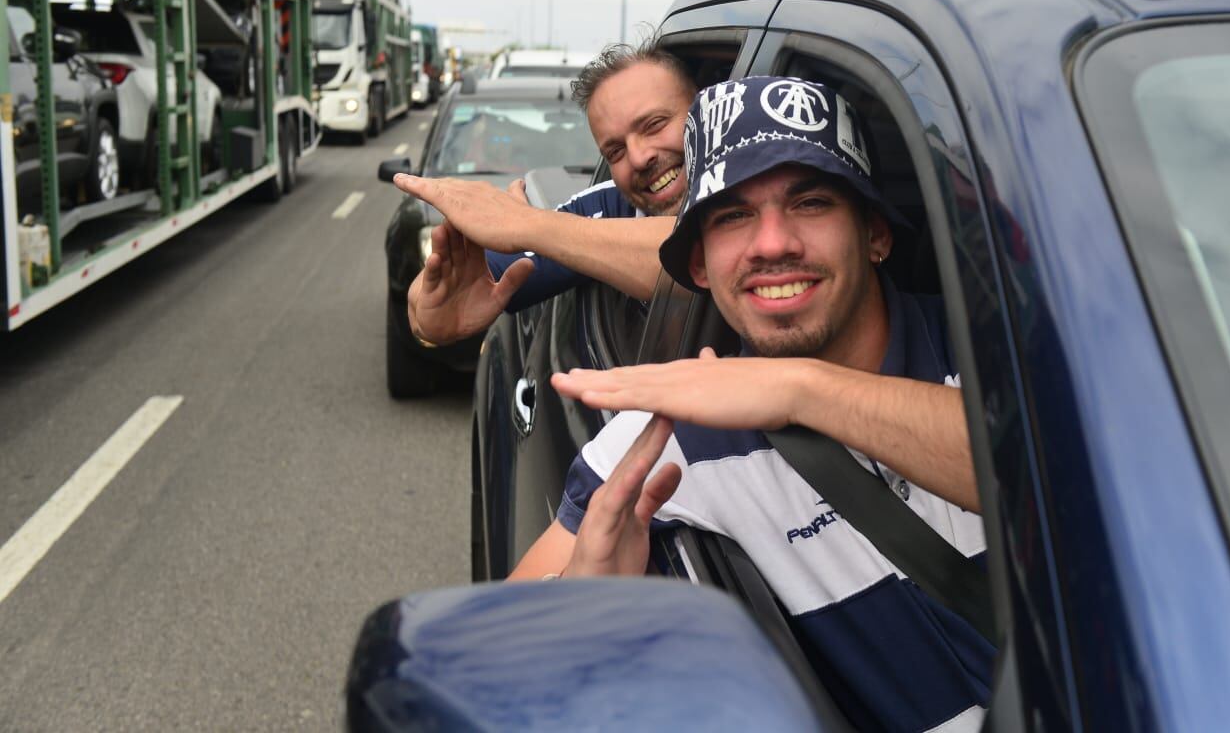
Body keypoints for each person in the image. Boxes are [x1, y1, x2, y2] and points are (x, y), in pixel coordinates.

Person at [511, 76, 992, 732]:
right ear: (701, 266)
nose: (772, 244)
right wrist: (585, 606)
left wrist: (797, 390)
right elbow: (503, 655)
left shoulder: (998, 353)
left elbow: (1056, 473)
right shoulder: (668, 433)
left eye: (812, 201)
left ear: (876, 235)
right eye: (733, 216)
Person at [393, 39, 696, 347]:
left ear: (706, 110)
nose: (639, 157)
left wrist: (525, 224)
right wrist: (430, 312)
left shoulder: (745, 185)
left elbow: (697, 251)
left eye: (655, 125)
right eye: (615, 151)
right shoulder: (608, 207)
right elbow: (448, 291)